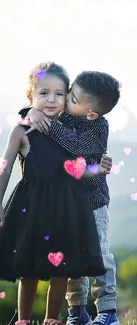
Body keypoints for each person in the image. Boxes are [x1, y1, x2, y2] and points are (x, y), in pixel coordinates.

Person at [0, 63, 108, 325]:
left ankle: (52, 319)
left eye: (59, 94)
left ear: (67, 97)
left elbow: (75, 170)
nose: (51, 99)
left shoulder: (69, 132)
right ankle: (24, 321)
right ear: (31, 97)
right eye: (44, 93)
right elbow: (3, 168)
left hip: (67, 209)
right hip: (33, 208)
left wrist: (96, 170)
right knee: (29, 269)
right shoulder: (22, 131)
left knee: (62, 269)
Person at [22, 70, 120, 325]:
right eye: (69, 93)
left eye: (72, 98)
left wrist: (48, 123)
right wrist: (30, 111)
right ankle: (77, 311)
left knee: (98, 254)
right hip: (67, 202)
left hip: (93, 202)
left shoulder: (97, 127)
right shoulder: (68, 113)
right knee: (71, 257)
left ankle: (107, 312)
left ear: (91, 113)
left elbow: (74, 144)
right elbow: (45, 105)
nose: (64, 100)